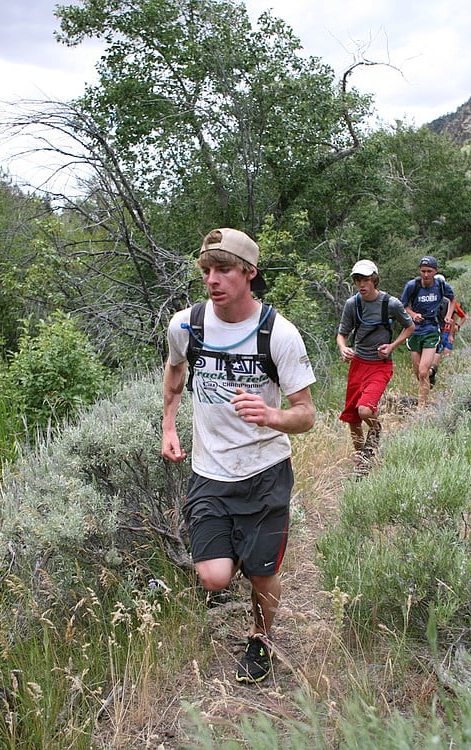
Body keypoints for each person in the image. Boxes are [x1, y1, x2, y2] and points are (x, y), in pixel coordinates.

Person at [161, 227, 316, 685]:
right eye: (207, 270)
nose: (213, 279)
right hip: (209, 473)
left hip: (265, 472)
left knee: (262, 574)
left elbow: (306, 415)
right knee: (213, 577)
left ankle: (261, 640)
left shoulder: (279, 334)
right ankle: (228, 572)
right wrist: (169, 426)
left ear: (249, 273)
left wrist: (270, 416)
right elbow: (174, 372)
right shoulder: (185, 325)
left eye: (224, 270)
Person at [336, 259, 413, 473]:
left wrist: (393, 346)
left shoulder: (391, 304)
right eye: (358, 280)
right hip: (358, 364)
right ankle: (362, 459)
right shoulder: (353, 304)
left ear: (375, 280)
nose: (362, 284)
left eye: (366, 279)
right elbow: (342, 334)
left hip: (380, 365)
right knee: (352, 417)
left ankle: (377, 430)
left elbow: (410, 327)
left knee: (364, 410)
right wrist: (343, 348)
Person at [400, 256, 454, 408]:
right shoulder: (412, 286)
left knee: (423, 371)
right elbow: (403, 306)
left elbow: (452, 299)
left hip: (431, 329)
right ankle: (431, 375)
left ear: (435, 271)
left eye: (429, 271)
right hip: (414, 331)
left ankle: (421, 407)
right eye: (423, 271)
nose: (426, 274)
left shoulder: (441, 285)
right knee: (418, 372)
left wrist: (449, 315)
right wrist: (413, 314)